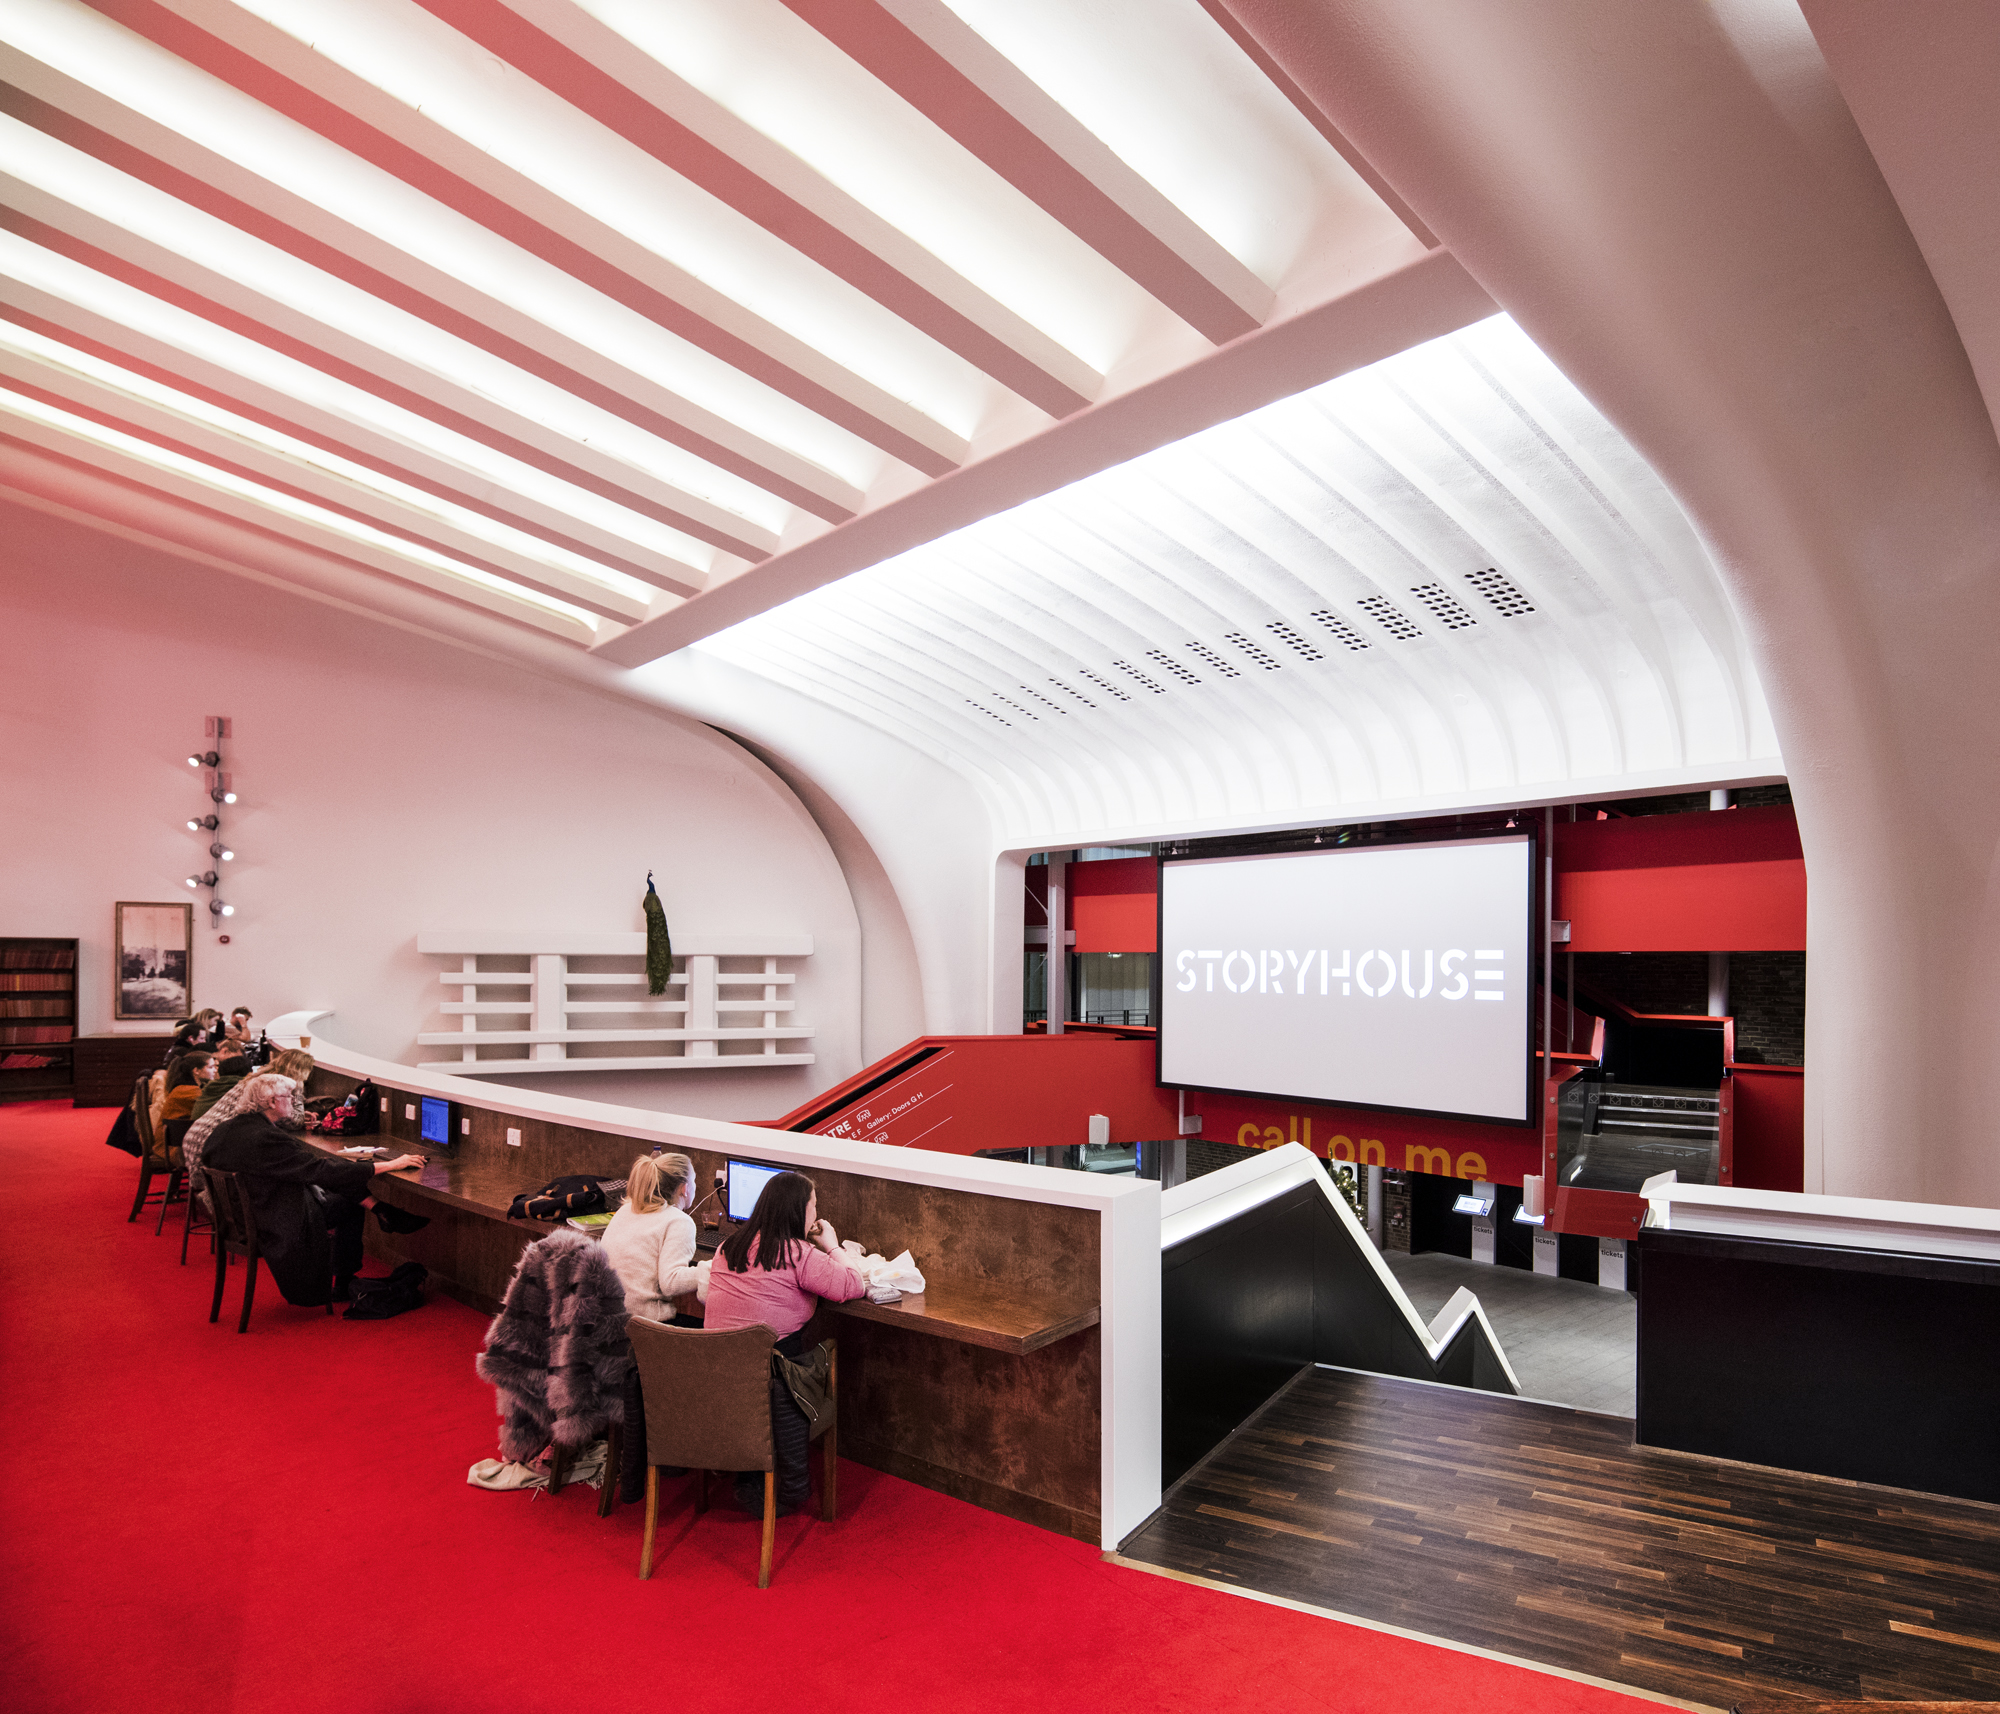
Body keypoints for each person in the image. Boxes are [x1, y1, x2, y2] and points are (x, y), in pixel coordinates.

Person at [704, 1170, 867, 1514]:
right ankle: (789, 1476)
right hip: (767, 1376)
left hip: (716, 1375)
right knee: (809, 1353)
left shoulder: (726, 1247)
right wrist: (832, 1245)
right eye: (814, 1205)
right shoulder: (798, 1254)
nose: (816, 1211)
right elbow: (853, 1285)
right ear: (800, 1211)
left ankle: (749, 1472)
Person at [201, 1074, 422, 1304]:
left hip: (237, 1219)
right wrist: (388, 1165)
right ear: (272, 1102)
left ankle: (381, 1210)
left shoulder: (225, 1129)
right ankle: (344, 1281)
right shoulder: (265, 1138)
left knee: (328, 1177)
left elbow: (309, 1169)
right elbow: (319, 1171)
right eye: (289, 1096)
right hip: (269, 1221)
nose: (294, 1101)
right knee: (344, 1201)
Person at [600, 1152, 708, 1324]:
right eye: (694, 1180)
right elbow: (671, 1283)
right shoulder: (679, 1221)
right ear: (684, 1188)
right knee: (712, 1329)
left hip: (606, 1318)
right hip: (643, 1323)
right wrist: (709, 1268)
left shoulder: (626, 1208)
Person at [158, 1051, 217, 1126]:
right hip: (173, 1132)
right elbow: (213, 1106)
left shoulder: (184, 1087)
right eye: (211, 1067)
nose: (215, 1070)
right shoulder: (188, 1090)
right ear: (196, 1071)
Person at [190, 1052, 251, 1122]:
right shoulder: (241, 1092)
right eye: (211, 1067)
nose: (215, 1070)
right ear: (249, 1074)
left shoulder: (208, 1090)